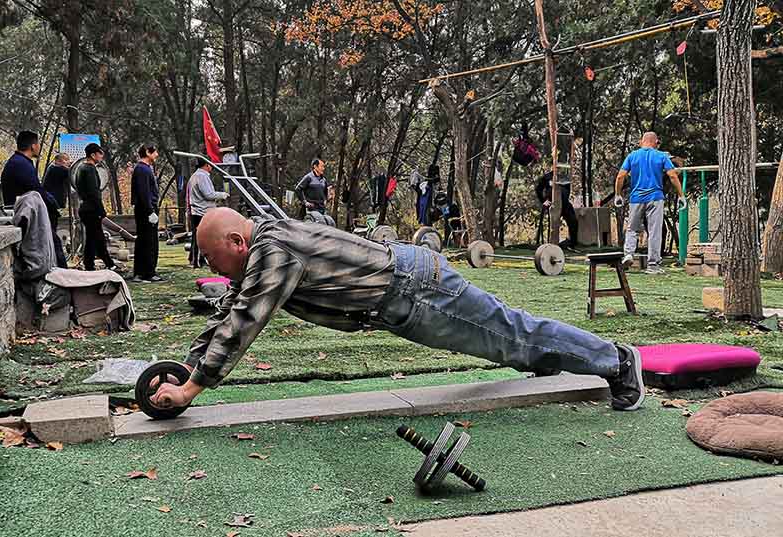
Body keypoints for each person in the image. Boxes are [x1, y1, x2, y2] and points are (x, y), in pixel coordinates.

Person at [150, 207, 645, 414]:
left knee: (513, 333)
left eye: (215, 259)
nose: (217, 270)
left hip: (416, 290)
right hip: (405, 294)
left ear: (237, 241)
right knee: (507, 342)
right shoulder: (265, 241)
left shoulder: (273, 253)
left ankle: (618, 361)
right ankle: (550, 361)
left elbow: (245, 321)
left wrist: (193, 388)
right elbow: (232, 308)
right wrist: (186, 369)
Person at [614, 132, 686, 274]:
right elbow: (672, 175)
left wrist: (617, 194)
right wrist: (681, 195)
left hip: (636, 198)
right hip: (655, 198)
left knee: (632, 229)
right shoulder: (661, 156)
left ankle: (628, 254)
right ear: (655, 142)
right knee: (654, 232)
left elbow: (621, 176)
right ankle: (653, 266)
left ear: (642, 141)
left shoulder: (632, 156)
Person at [0, 131, 66, 265]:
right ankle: (64, 280)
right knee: (54, 246)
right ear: (33, 146)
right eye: (38, 144)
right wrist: (53, 206)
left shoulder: (18, 162)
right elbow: (36, 191)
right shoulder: (21, 165)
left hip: (26, 216)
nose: (39, 147)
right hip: (26, 218)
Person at [76, 143, 117, 272]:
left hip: (85, 207)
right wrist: (101, 210)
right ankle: (108, 264)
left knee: (93, 238)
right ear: (93, 155)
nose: (101, 157)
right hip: (91, 208)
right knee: (97, 238)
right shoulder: (89, 169)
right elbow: (94, 192)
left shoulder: (80, 168)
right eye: (100, 154)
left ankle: (92, 265)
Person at [187, 157, 228, 268]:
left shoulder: (195, 176)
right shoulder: (202, 176)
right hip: (202, 212)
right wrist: (222, 195)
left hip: (198, 211)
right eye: (211, 164)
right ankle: (198, 261)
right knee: (202, 238)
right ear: (207, 165)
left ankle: (195, 260)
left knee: (197, 237)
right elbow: (208, 194)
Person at [131, 145, 162, 283]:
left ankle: (144, 272)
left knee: (147, 240)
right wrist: (150, 211)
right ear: (148, 153)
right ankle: (146, 272)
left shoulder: (144, 168)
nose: (156, 155)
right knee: (148, 241)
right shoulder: (142, 169)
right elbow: (144, 192)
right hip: (145, 210)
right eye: (155, 152)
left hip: (146, 208)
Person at [42, 153, 71, 268]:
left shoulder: (54, 170)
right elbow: (71, 172)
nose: (67, 163)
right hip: (51, 205)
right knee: (52, 233)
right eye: (65, 160)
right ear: (58, 161)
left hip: (53, 204)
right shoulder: (56, 170)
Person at [535, 171, 578, 248]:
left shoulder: (565, 176)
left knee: (573, 221)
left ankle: (572, 244)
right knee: (554, 225)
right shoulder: (547, 176)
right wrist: (544, 201)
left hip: (565, 204)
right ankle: (553, 244)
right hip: (553, 204)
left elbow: (568, 190)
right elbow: (538, 189)